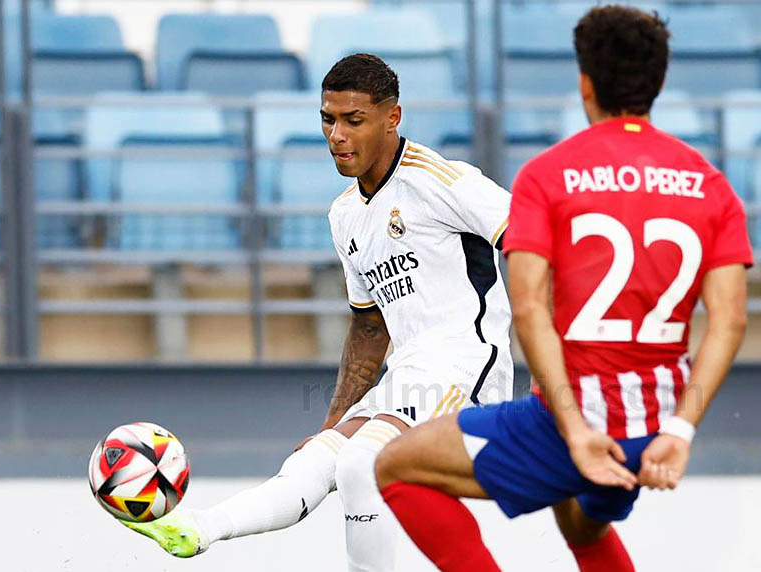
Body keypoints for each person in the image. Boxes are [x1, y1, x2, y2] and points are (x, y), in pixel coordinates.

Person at [374, 6, 753, 571]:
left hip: (570, 423)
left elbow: (529, 307)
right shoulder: (710, 183)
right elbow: (730, 321)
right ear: (659, 83)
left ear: (585, 83)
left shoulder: (548, 176)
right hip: (654, 429)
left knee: (396, 465)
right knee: (578, 515)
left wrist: (574, 431)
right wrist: (680, 428)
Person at [122, 53, 515, 572]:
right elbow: (370, 325)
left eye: (354, 121)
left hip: (467, 365)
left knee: (359, 462)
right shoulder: (346, 213)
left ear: (392, 117)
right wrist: (335, 421)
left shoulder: (441, 180)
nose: (337, 135)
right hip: (407, 373)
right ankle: (201, 527)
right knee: (316, 460)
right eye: (328, 119)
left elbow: (535, 243)